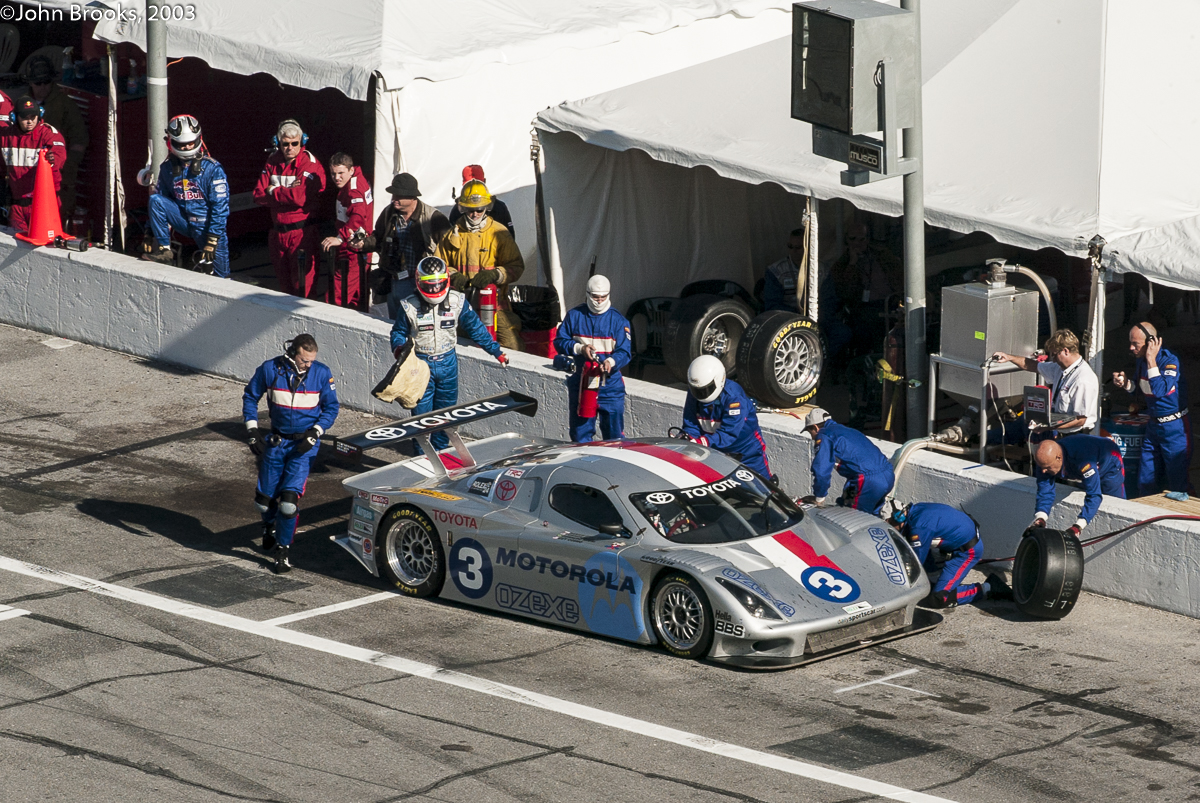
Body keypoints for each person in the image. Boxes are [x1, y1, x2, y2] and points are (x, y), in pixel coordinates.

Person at [242, 334, 340, 574]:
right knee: (263, 504)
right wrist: (252, 430)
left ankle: (283, 551)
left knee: (288, 504)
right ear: (292, 354)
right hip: (276, 442)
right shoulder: (270, 369)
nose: (309, 365)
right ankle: (268, 526)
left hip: (303, 447)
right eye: (304, 360)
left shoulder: (321, 374)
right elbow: (250, 396)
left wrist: (315, 433)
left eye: (312, 360)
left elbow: (332, 407)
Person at [390, 257, 508, 451]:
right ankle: (422, 458)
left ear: (446, 281)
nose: (435, 290)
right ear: (419, 283)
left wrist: (496, 351)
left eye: (439, 285)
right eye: (430, 286)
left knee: (446, 416)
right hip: (420, 365)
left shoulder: (457, 300)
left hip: (448, 362)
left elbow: (476, 328)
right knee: (421, 419)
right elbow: (398, 332)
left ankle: (442, 452)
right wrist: (399, 349)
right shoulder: (408, 305)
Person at [139, 114, 231, 278]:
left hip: (207, 227)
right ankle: (165, 251)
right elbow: (158, 203)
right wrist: (149, 233)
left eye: (191, 143)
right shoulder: (167, 168)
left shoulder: (213, 169)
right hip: (185, 221)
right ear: (171, 142)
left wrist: (212, 239)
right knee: (155, 199)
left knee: (221, 278)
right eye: (182, 144)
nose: (188, 147)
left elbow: (220, 207)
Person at [438, 179, 525, 351]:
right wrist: (454, 276)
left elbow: (516, 265)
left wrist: (496, 274)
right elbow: (439, 265)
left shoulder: (499, 232)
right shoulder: (452, 234)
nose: (475, 214)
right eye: (470, 210)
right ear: (462, 208)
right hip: (461, 305)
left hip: (495, 306)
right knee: (461, 347)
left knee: (511, 347)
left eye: (479, 209)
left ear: (487, 208)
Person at [1112, 322, 1192, 496]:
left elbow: (1160, 390)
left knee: (1177, 481)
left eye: (1136, 344)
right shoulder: (1141, 363)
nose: (1131, 348)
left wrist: (1151, 360)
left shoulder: (1170, 360)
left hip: (1175, 427)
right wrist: (1125, 383)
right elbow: (1140, 391)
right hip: (1153, 426)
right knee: (1146, 479)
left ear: (1150, 343)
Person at [253, 119, 327, 297]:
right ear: (279, 143)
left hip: (302, 234)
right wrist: (287, 194)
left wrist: (274, 191)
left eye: (295, 144)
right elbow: (257, 195)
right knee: (284, 290)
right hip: (278, 234)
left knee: (303, 290)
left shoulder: (309, 163)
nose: (290, 148)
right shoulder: (272, 161)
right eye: (285, 144)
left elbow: (299, 197)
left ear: (302, 142)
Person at [554, 275, 632, 443]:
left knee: (615, 438)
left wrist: (610, 362)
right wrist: (580, 349)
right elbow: (559, 341)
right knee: (580, 434)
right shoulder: (574, 316)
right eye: (595, 297)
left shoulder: (619, 321)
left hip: (610, 386)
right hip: (582, 383)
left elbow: (625, 352)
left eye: (603, 297)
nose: (599, 301)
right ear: (588, 294)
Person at [360, 172, 448, 320]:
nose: (394, 199)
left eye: (399, 195)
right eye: (393, 194)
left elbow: (449, 250)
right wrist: (362, 244)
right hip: (393, 281)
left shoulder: (434, 218)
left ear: (412, 197)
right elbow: (378, 238)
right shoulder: (389, 213)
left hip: (421, 284)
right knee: (396, 325)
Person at [889, 503, 1012, 608]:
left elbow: (914, 565)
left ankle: (988, 588)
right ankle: (935, 577)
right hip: (960, 540)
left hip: (967, 553)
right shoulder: (915, 509)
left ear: (897, 518)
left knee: (938, 598)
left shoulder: (919, 528)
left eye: (888, 524)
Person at [992, 328, 1099, 440]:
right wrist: (1009, 357)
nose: (1053, 359)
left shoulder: (1083, 380)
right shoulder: (1061, 368)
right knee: (1021, 424)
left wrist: (1047, 427)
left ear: (1065, 351)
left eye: (1054, 354)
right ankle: (982, 440)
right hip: (1059, 429)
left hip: (1075, 437)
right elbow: (1033, 366)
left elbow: (1081, 419)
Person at [18, 55, 87, 221]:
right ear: (30, 82)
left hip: (58, 177)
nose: (42, 87)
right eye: (38, 83)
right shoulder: (20, 105)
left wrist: (68, 166)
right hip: (26, 175)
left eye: (47, 82)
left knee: (56, 217)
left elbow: (80, 138)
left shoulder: (65, 105)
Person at [681, 355, 772, 477]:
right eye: (697, 390)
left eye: (706, 389)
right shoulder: (693, 394)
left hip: (746, 453)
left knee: (763, 487)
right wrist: (687, 438)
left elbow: (729, 433)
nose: (701, 394)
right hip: (714, 452)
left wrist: (703, 441)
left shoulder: (734, 397)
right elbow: (690, 423)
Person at [802, 407, 894, 515]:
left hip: (867, 480)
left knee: (850, 520)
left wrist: (819, 498)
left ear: (815, 427)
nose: (813, 438)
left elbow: (821, 470)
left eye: (810, 432)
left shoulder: (824, 435)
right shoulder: (846, 430)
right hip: (887, 474)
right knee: (849, 508)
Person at [829, 223, 902, 357]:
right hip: (861, 307)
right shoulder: (842, 264)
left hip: (889, 303)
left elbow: (899, 278)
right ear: (847, 240)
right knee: (865, 327)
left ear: (867, 240)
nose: (857, 243)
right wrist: (852, 264)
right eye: (853, 239)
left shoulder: (882, 256)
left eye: (861, 239)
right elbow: (845, 293)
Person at [1031, 435, 1126, 535]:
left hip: (1109, 459)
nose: (1043, 471)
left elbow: (1094, 495)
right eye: (1041, 467)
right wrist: (1040, 518)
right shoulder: (1045, 462)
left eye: (1047, 467)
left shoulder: (1084, 460)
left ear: (1059, 458)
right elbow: (1045, 491)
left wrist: (1078, 526)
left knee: (1115, 501)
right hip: (1081, 461)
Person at [1, 96, 67, 235]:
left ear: (40, 115)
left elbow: (59, 153)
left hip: (44, 205)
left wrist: (53, 159)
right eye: (25, 118)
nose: (30, 121)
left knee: (46, 245)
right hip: (17, 206)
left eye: (33, 116)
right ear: (15, 117)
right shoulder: (5, 137)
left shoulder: (48, 134)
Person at [321, 152, 373, 309]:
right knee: (357, 298)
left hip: (352, 251)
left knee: (335, 299)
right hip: (358, 249)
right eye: (333, 173)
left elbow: (358, 216)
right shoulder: (356, 181)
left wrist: (340, 237)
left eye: (340, 173)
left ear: (351, 170)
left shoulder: (354, 189)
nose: (337, 178)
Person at [447, 164, 515, 237]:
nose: (475, 214)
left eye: (480, 210)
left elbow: (509, 237)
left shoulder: (499, 208)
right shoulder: (457, 210)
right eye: (469, 186)